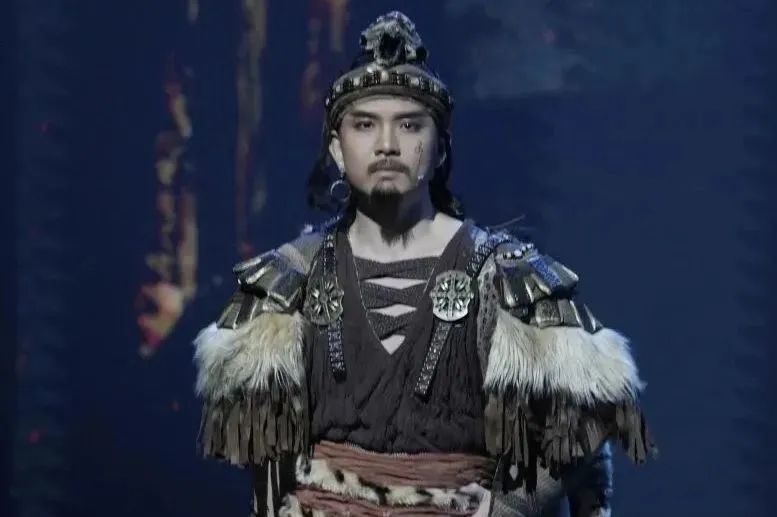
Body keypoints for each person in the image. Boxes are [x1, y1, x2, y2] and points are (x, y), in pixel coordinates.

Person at [193, 11, 655, 517]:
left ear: (439, 148)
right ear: (337, 148)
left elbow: (581, 441)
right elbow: (261, 460)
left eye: (410, 124)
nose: (387, 144)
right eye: (364, 124)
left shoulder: (508, 278)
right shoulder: (290, 281)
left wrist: (503, 509)